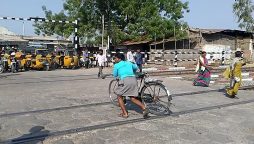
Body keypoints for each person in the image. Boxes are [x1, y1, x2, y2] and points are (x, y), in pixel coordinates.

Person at [113, 53, 149, 119]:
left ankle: (125, 113)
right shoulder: (129, 63)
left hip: (125, 81)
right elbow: (136, 68)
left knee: (119, 96)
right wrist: (132, 71)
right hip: (133, 80)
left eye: (115, 58)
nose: (114, 60)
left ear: (119, 59)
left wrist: (119, 75)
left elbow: (115, 75)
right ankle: (144, 108)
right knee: (132, 98)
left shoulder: (116, 65)